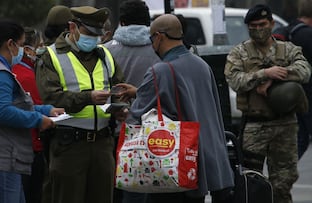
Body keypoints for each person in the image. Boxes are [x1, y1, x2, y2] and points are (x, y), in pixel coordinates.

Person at [117, 14, 234, 203]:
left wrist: (120, 111)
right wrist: (140, 92)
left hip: (171, 164)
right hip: (201, 160)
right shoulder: (202, 65)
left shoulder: (160, 70)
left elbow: (137, 114)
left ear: (159, 37)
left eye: (151, 39)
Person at [0, 20, 65, 203]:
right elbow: (2, 111)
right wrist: (37, 119)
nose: (21, 51)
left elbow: (13, 105)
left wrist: (46, 110)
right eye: (20, 45)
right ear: (9, 44)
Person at [35, 6, 125, 203]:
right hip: (69, 146)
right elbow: (51, 98)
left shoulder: (105, 54)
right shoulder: (51, 56)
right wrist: (88, 98)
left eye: (98, 35)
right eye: (89, 33)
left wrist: (120, 107)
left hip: (103, 144)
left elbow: (118, 87)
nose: (94, 39)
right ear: (73, 27)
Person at [224, 4, 311, 203]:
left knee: (283, 183)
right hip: (255, 125)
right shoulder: (239, 53)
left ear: (271, 23)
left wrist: (277, 76)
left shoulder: (287, 49)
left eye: (262, 24)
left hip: (285, 125)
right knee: (251, 182)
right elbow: (234, 79)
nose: (258, 29)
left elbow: (304, 70)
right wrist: (263, 74)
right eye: (253, 26)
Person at [103, 1, 160, 202]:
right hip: (154, 133)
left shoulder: (105, 51)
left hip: (114, 131)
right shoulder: (160, 50)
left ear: (122, 22)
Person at [11, 27, 45, 203]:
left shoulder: (10, 69)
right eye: (40, 45)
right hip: (30, 149)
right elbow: (34, 108)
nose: (42, 48)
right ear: (28, 49)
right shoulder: (27, 76)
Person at [286, 0, 312, 159]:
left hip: (287, 94)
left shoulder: (289, 30)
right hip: (306, 95)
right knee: (302, 138)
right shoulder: (308, 35)